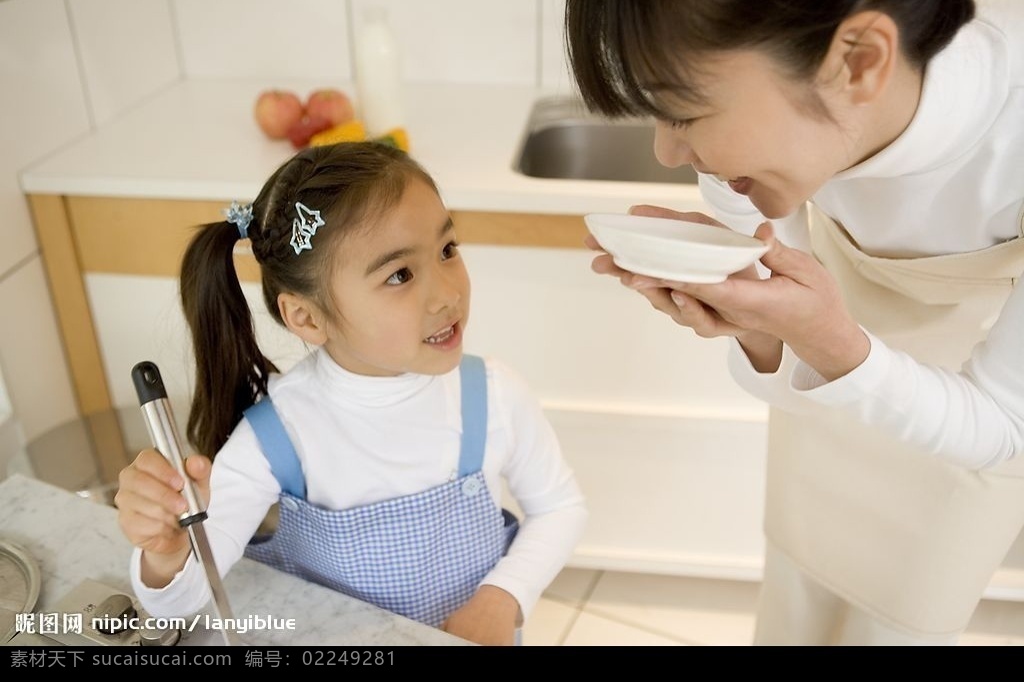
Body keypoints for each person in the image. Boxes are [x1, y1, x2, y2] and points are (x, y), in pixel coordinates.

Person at [565, 0, 1024, 645]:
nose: (667, 152)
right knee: (796, 603)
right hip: (826, 406)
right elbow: (786, 341)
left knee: (893, 625)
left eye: (685, 112)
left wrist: (827, 338)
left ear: (858, 62)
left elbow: (1003, 426)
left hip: (962, 430)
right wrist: (755, 323)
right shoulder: (760, 148)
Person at [114, 141, 588, 646]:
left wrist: (502, 597)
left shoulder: (492, 393)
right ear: (307, 317)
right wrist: (165, 554)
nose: (448, 293)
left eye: (447, 250)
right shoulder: (278, 435)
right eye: (399, 274)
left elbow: (560, 507)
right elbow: (180, 600)